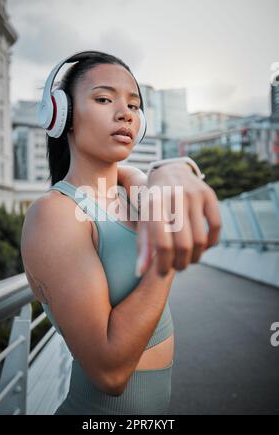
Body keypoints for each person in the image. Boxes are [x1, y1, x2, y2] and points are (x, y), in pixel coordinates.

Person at [21, 50, 221, 415]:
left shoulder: (129, 192)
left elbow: (161, 190)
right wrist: (164, 258)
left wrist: (170, 169)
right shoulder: (54, 214)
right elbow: (110, 374)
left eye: (134, 104)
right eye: (103, 99)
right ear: (60, 114)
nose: (125, 113)